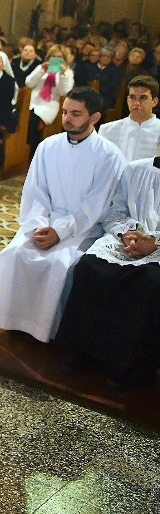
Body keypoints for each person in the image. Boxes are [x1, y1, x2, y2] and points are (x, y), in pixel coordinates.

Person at [0, 87, 126, 342]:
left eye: (76, 113)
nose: (67, 118)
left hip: (82, 228)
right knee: (14, 254)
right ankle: (14, 322)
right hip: (44, 221)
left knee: (59, 264)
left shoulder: (109, 155)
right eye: (65, 112)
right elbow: (35, 192)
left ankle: (45, 330)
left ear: (94, 117)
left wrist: (60, 232)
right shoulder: (47, 146)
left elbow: (96, 205)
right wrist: (38, 225)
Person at [54, 156, 160, 390]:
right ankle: (86, 350)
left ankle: (142, 365)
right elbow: (115, 212)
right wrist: (128, 234)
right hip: (127, 240)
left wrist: (153, 242)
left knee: (150, 281)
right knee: (89, 268)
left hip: (157, 248)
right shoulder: (135, 169)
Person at [98, 76, 160, 161]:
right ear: (127, 100)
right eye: (132, 97)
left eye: (143, 98)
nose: (136, 103)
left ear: (154, 102)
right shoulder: (107, 130)